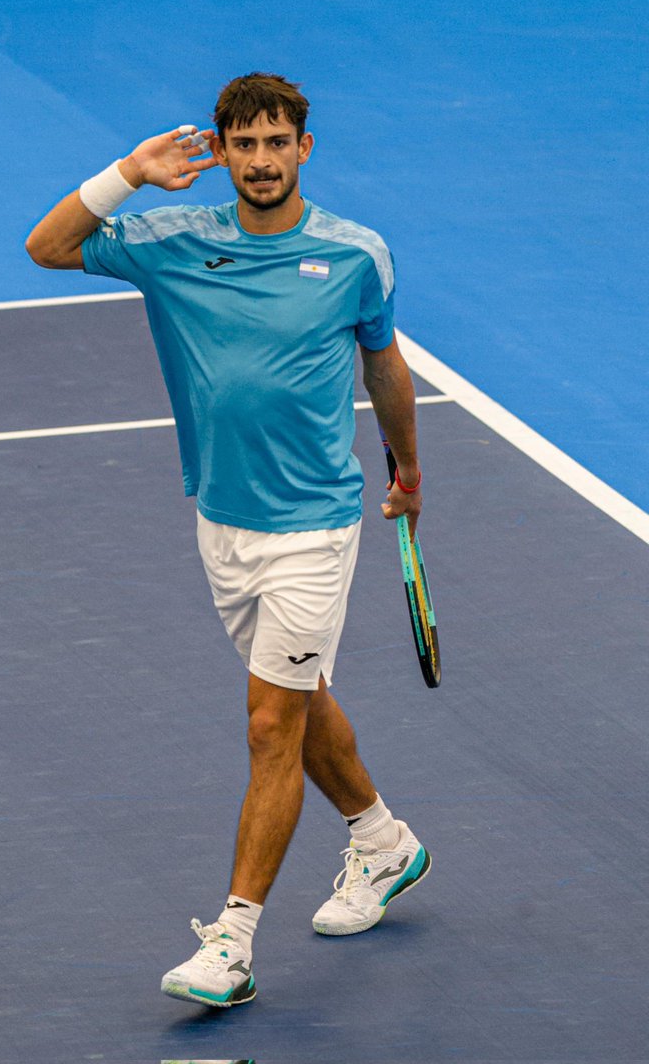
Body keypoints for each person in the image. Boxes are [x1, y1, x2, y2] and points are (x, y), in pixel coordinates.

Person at [25, 72, 430, 1010]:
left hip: (316, 525)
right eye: (242, 144)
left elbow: (386, 368)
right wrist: (128, 173)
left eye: (276, 142)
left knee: (267, 724)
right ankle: (384, 844)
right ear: (223, 149)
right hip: (221, 518)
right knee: (300, 697)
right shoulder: (172, 241)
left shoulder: (355, 256)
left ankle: (233, 943)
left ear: (304, 148)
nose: (259, 160)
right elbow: (48, 246)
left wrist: (407, 474)